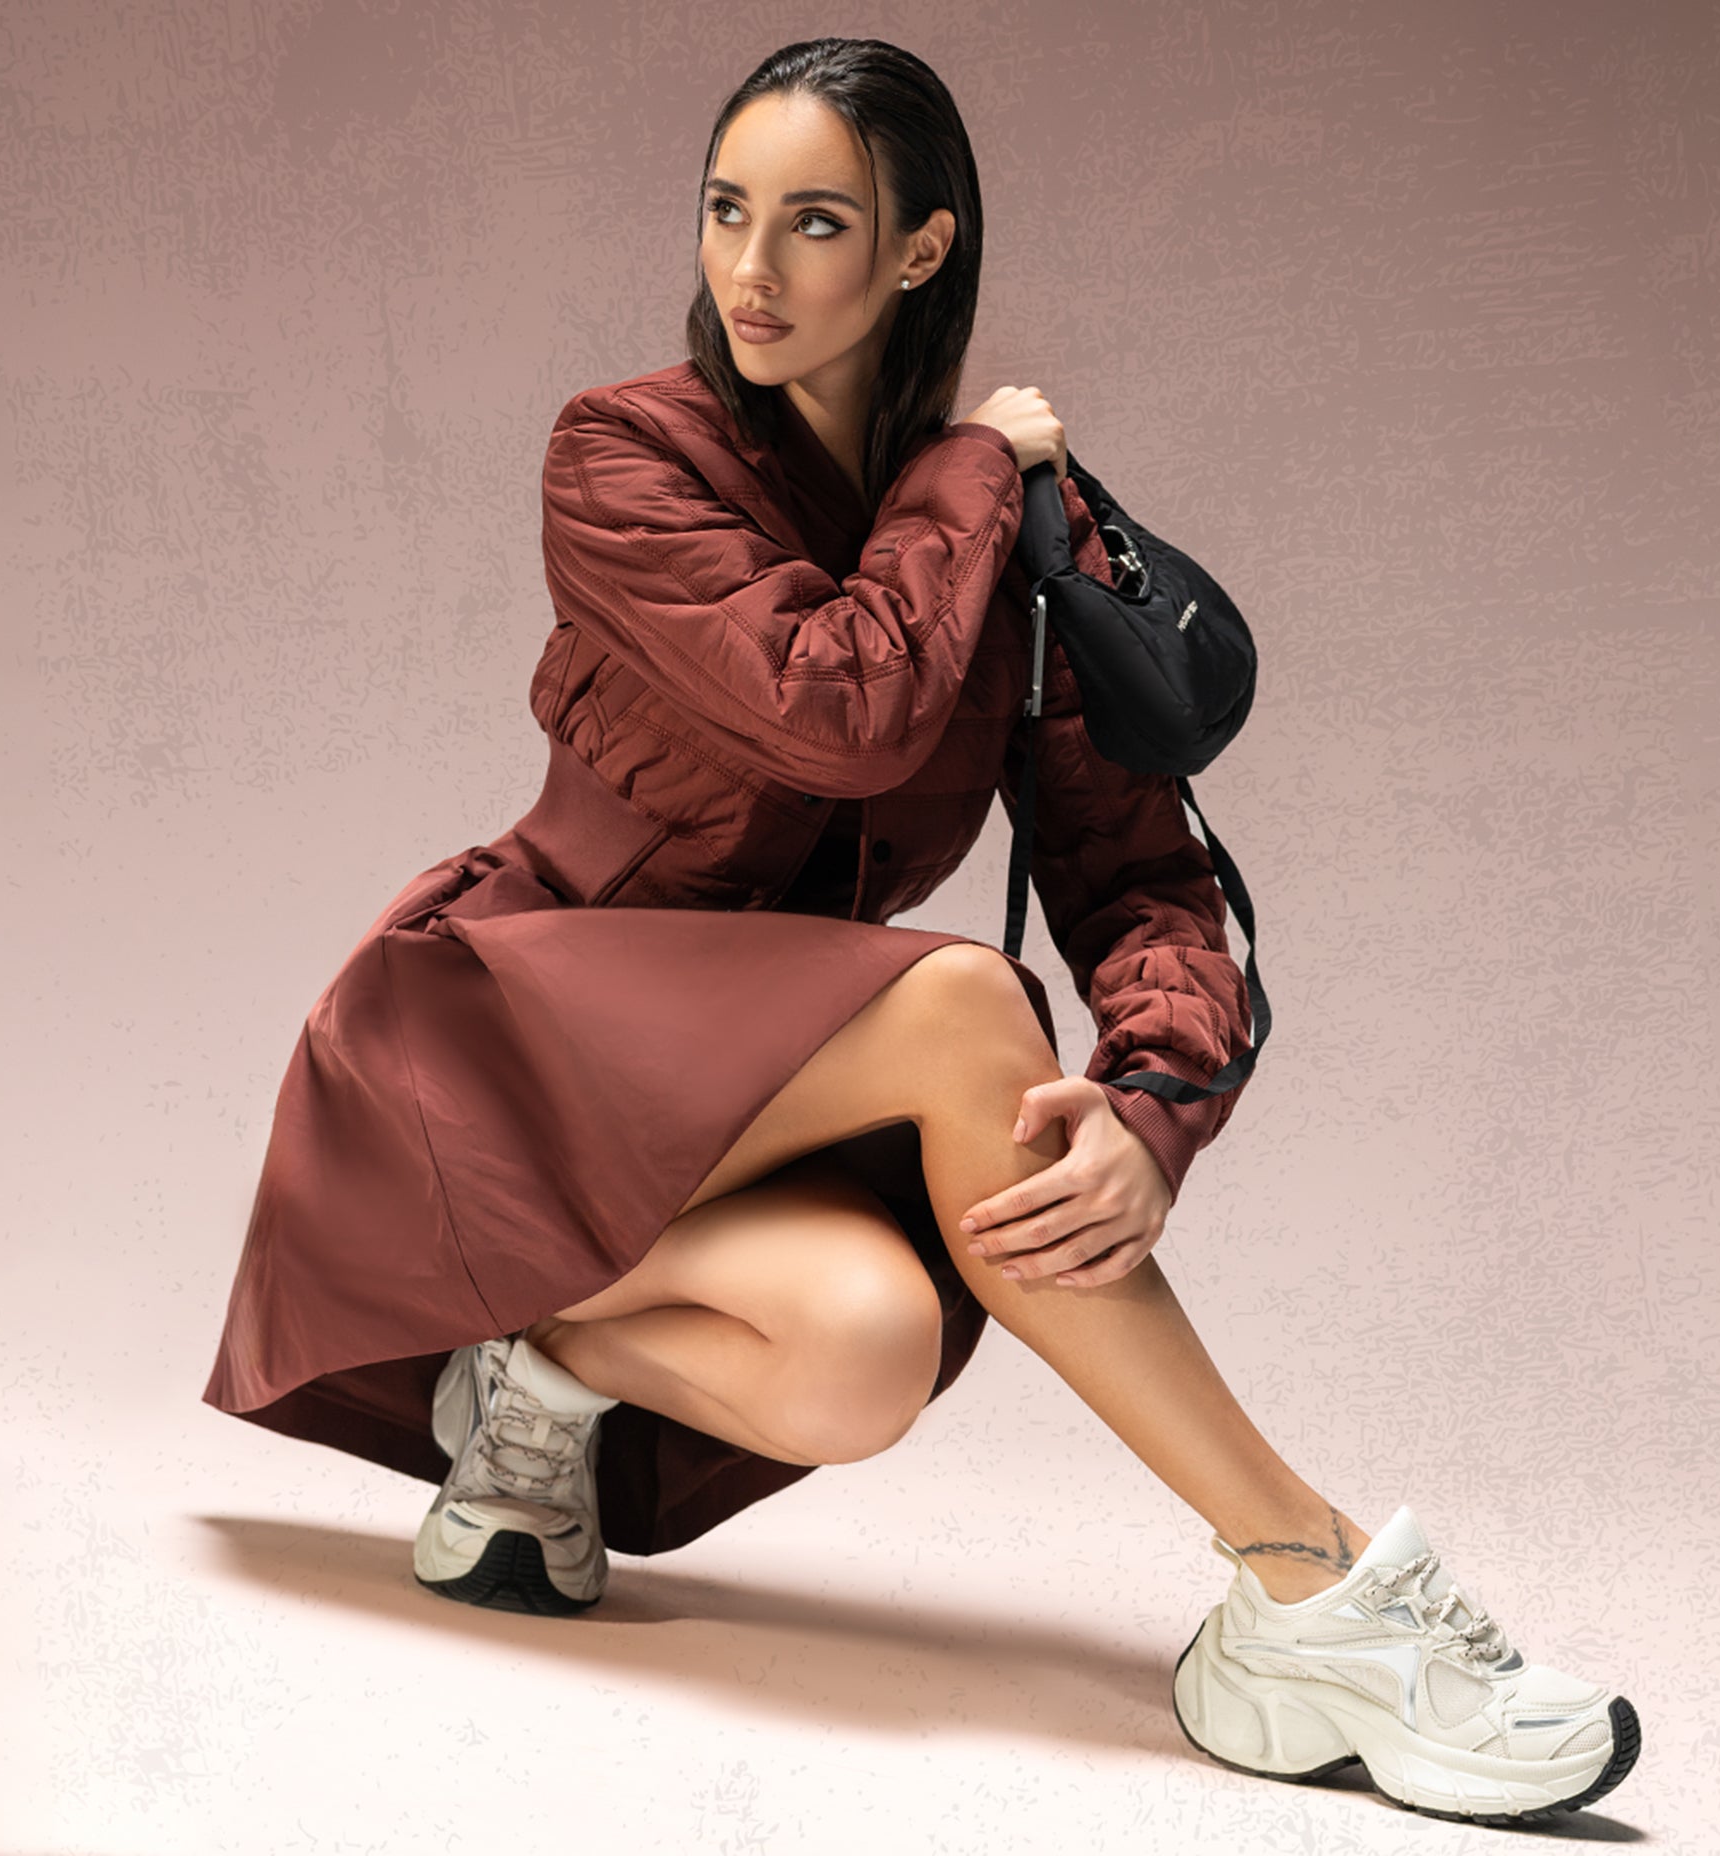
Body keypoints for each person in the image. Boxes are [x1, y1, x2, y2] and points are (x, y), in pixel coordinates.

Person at [200, 36, 1640, 1826]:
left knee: (867, 1351)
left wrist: (1153, 1107)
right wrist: (968, 474)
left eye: (816, 223)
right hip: (492, 1048)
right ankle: (1307, 1582)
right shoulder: (623, 455)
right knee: (965, 999)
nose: (752, 269)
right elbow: (841, 711)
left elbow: (1138, 870)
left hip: (738, 1105)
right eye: (727, 209)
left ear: (920, 250)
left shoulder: (1003, 539)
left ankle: (537, 1368)